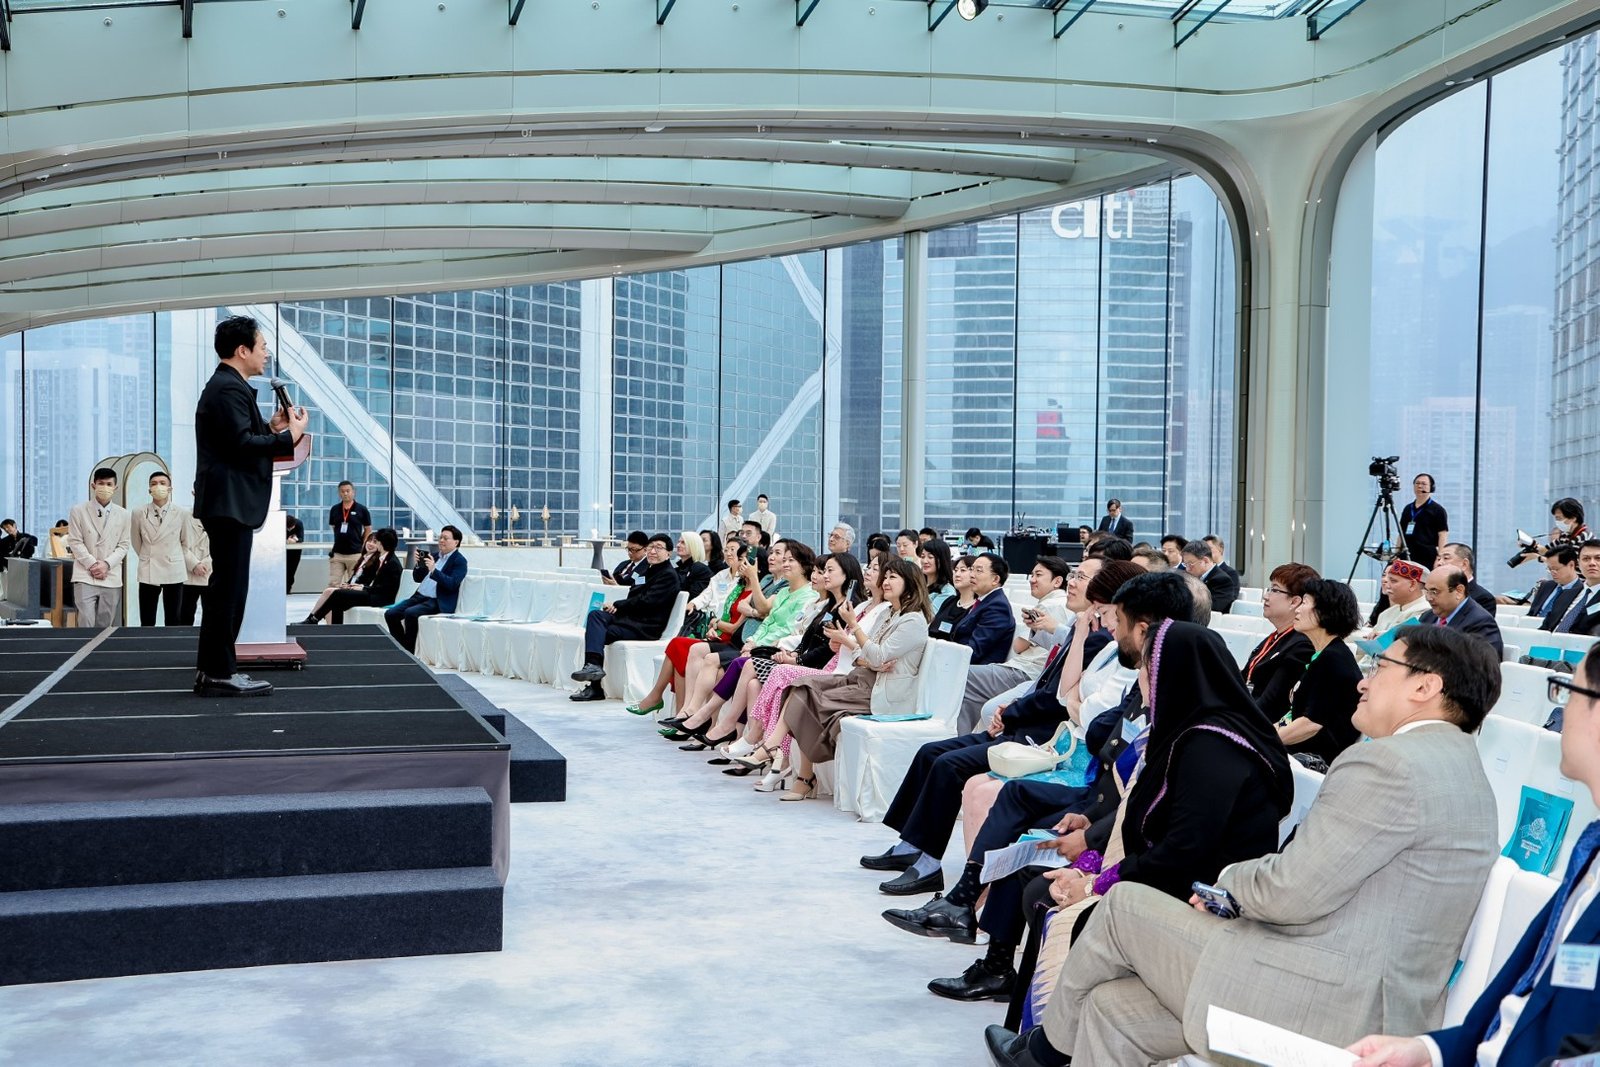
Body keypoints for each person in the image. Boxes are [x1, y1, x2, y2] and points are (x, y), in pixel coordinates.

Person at [991, 625, 1503, 1067]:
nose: (1362, 681)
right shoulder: (1459, 768)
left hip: (1327, 1003)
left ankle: (1043, 1053)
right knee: (1112, 1011)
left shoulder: (1389, 764)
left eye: (1380, 667)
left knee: (1122, 907)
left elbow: (1293, 892)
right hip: (1357, 992)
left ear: (1425, 686)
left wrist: (1228, 886)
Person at [1348, 641, 1600, 1067]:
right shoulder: (1591, 848)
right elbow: (1532, 996)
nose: (1560, 710)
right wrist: (1430, 1051)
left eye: (1569, 692)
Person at [194, 315, 308, 695]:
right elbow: (241, 446)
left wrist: (273, 429)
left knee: (227, 590)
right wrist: (290, 436)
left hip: (229, 503)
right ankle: (218, 673)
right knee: (228, 592)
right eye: (262, 346)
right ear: (242, 350)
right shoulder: (228, 388)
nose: (266, 353)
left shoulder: (230, 387)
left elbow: (239, 438)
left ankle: (215, 670)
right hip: (229, 503)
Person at [776, 556, 932, 801]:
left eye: (893, 577)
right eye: (885, 576)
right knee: (802, 686)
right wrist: (870, 659)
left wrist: (855, 629)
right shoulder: (889, 613)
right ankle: (785, 755)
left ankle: (798, 773)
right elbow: (864, 656)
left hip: (880, 692)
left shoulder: (913, 621)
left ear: (910, 583)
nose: (886, 581)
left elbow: (875, 654)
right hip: (861, 678)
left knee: (808, 696)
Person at [627, 537, 754, 717]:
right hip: (712, 628)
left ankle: (671, 707)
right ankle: (677, 712)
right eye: (726, 550)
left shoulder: (747, 587)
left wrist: (716, 623)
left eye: (733, 551)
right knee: (678, 649)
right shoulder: (723, 577)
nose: (728, 554)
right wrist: (694, 605)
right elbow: (706, 596)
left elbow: (734, 623)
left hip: (723, 634)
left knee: (679, 648)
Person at [951, 557, 1073, 734]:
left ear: (1057, 581)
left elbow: (1018, 646)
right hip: (1026, 669)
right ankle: (964, 736)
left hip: (1027, 670)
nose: (1032, 579)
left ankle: (962, 737)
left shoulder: (1050, 605)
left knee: (961, 673)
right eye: (1032, 574)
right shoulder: (1058, 604)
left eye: (1038, 575)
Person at [570, 533, 680, 701]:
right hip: (631, 619)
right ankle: (593, 669)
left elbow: (647, 602)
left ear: (669, 553)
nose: (653, 551)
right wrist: (617, 606)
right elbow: (634, 595)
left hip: (645, 626)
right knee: (596, 616)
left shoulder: (668, 575)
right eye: (651, 547)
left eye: (658, 548)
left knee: (596, 634)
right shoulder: (648, 570)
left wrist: (618, 605)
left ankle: (595, 686)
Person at [1279, 577, 1364, 769]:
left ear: (1324, 611)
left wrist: (1262, 741)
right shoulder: (1323, 654)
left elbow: (1311, 724)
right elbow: (1292, 718)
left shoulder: (1334, 659)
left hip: (1316, 762)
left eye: (1305, 602)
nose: (1297, 609)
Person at [1242, 563, 1318, 722]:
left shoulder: (1302, 645)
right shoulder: (1275, 637)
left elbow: (1272, 703)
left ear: (1294, 602)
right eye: (1269, 589)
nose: (1266, 596)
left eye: (1274, 590)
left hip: (1261, 725)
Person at [384, 525, 466, 654]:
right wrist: (419, 565)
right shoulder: (434, 556)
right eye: (440, 537)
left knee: (410, 613)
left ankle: (408, 651)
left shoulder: (459, 561)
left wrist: (434, 570)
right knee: (390, 614)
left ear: (456, 542)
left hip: (436, 600)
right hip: (419, 596)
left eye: (445, 538)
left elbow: (452, 584)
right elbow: (417, 578)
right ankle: (402, 648)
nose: (441, 541)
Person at [67, 467, 132, 628]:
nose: (105, 487)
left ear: (115, 487)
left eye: (109, 484)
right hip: (85, 573)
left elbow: (124, 545)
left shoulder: (124, 514)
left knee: (106, 624)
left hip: (111, 574)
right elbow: (75, 541)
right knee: (85, 622)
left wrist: (106, 564)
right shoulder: (78, 511)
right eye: (101, 483)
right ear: (93, 485)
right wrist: (93, 564)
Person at [304, 529, 401, 624]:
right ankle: (334, 629)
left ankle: (314, 619)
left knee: (337, 594)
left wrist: (363, 588)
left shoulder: (392, 563)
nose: (375, 543)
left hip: (380, 598)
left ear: (381, 543)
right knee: (338, 599)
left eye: (377, 541)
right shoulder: (384, 558)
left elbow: (385, 589)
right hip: (374, 593)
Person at [131, 470, 187, 626]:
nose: (158, 487)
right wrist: (148, 555)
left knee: (173, 619)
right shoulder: (138, 512)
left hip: (173, 568)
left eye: (162, 483)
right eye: (154, 484)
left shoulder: (181, 513)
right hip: (149, 567)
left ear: (170, 488)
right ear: (149, 489)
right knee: (147, 619)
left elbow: (185, 542)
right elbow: (136, 541)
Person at [952, 552, 1019, 676]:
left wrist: (945, 657)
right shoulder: (985, 601)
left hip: (976, 672)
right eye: (972, 569)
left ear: (995, 579)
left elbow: (975, 650)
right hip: (964, 662)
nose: (972, 575)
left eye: (978, 571)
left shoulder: (997, 606)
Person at [1419, 565, 1503, 657]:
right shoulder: (1427, 616)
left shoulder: (1481, 622)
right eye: (1427, 592)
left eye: (1434, 592)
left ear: (1459, 591)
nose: (1428, 598)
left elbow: (1484, 662)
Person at [1512, 497, 1590, 569]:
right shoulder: (1566, 534)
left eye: (1559, 518)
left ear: (1573, 518)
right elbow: (1546, 551)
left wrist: (1538, 557)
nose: (1557, 522)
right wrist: (1529, 543)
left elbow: (1570, 566)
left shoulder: (1583, 538)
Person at [1366, 559, 1430, 638]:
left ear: (1412, 585)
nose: (1387, 585)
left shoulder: (1426, 613)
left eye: (1393, 581)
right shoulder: (1386, 613)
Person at [1549, 539, 1600, 637]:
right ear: (1578, 563)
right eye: (1586, 559)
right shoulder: (1566, 593)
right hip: (1547, 643)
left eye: (1598, 558)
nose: (1592, 563)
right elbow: (1546, 626)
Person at [1398, 473, 1449, 571]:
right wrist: (1397, 552)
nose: (1420, 486)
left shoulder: (1438, 510)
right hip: (1407, 553)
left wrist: (1440, 557)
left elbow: (1442, 534)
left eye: (1423, 484)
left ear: (1431, 488)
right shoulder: (1408, 508)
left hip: (1427, 555)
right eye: (1417, 483)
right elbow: (1401, 532)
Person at [1434, 542, 1499, 617]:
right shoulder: (1434, 594)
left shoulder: (1483, 598)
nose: (1439, 563)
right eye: (1438, 559)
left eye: (1446, 558)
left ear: (1464, 564)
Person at [326, 481, 372, 586]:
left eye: (348, 491)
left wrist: (362, 544)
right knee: (334, 583)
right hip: (338, 553)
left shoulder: (362, 509)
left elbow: (368, 529)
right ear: (339, 493)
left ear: (353, 492)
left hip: (355, 553)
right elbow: (334, 527)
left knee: (354, 583)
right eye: (342, 491)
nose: (345, 494)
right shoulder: (335, 509)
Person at [1181, 538, 1238, 614]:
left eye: (1190, 564)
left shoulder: (1222, 580)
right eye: (1185, 564)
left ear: (1205, 561)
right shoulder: (1191, 577)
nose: (1187, 569)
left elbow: (1212, 609)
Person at [1524, 544, 1582, 620]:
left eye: (1556, 569)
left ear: (1571, 565)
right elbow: (1532, 613)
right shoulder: (1545, 585)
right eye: (1549, 569)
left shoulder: (1582, 591)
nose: (1552, 573)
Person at [178, 505, 211, 626]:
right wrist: (194, 564)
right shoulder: (184, 516)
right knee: (184, 617)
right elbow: (177, 543)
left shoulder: (222, 517)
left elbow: (225, 546)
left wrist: (206, 564)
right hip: (188, 576)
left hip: (211, 575)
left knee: (212, 618)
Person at [917, 537, 956, 611]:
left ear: (941, 560)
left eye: (930, 557)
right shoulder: (919, 584)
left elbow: (930, 615)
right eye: (922, 556)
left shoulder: (947, 591)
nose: (925, 561)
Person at [673, 531, 712, 600]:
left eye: (683, 543)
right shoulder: (676, 570)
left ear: (693, 546)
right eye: (678, 542)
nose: (678, 545)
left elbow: (694, 597)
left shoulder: (701, 570)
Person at [284, 512, 304, 593]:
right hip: (283, 550)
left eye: (291, 528)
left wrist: (295, 540)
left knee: (291, 570)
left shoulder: (299, 523)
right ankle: (282, 588)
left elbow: (301, 538)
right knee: (284, 569)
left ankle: (288, 588)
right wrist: (286, 540)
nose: (290, 530)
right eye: (288, 528)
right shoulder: (280, 524)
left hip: (296, 551)